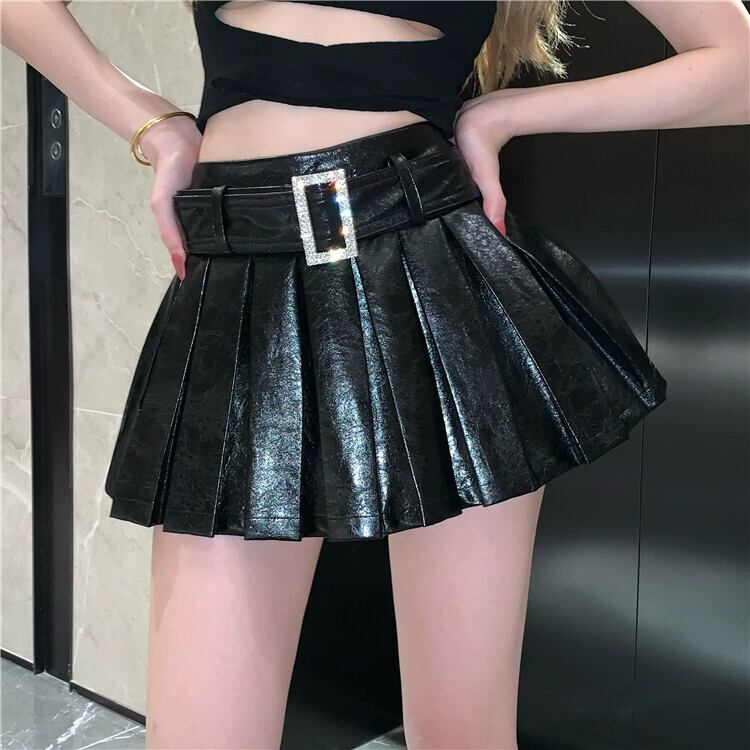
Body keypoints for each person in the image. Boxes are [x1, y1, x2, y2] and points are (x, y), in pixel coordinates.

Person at [2, 1, 747, 748]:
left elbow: (736, 65)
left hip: (434, 279)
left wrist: (504, 114)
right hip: (239, 286)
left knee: (460, 734)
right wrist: (152, 123)